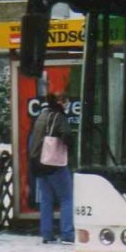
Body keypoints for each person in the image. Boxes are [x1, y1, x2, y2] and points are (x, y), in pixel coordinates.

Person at [29, 92, 74, 244]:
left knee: (46, 199)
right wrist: (71, 148)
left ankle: (47, 234)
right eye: (65, 101)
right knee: (67, 197)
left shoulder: (42, 116)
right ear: (59, 102)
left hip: (38, 162)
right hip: (53, 162)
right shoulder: (59, 117)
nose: (66, 104)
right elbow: (67, 135)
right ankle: (67, 234)